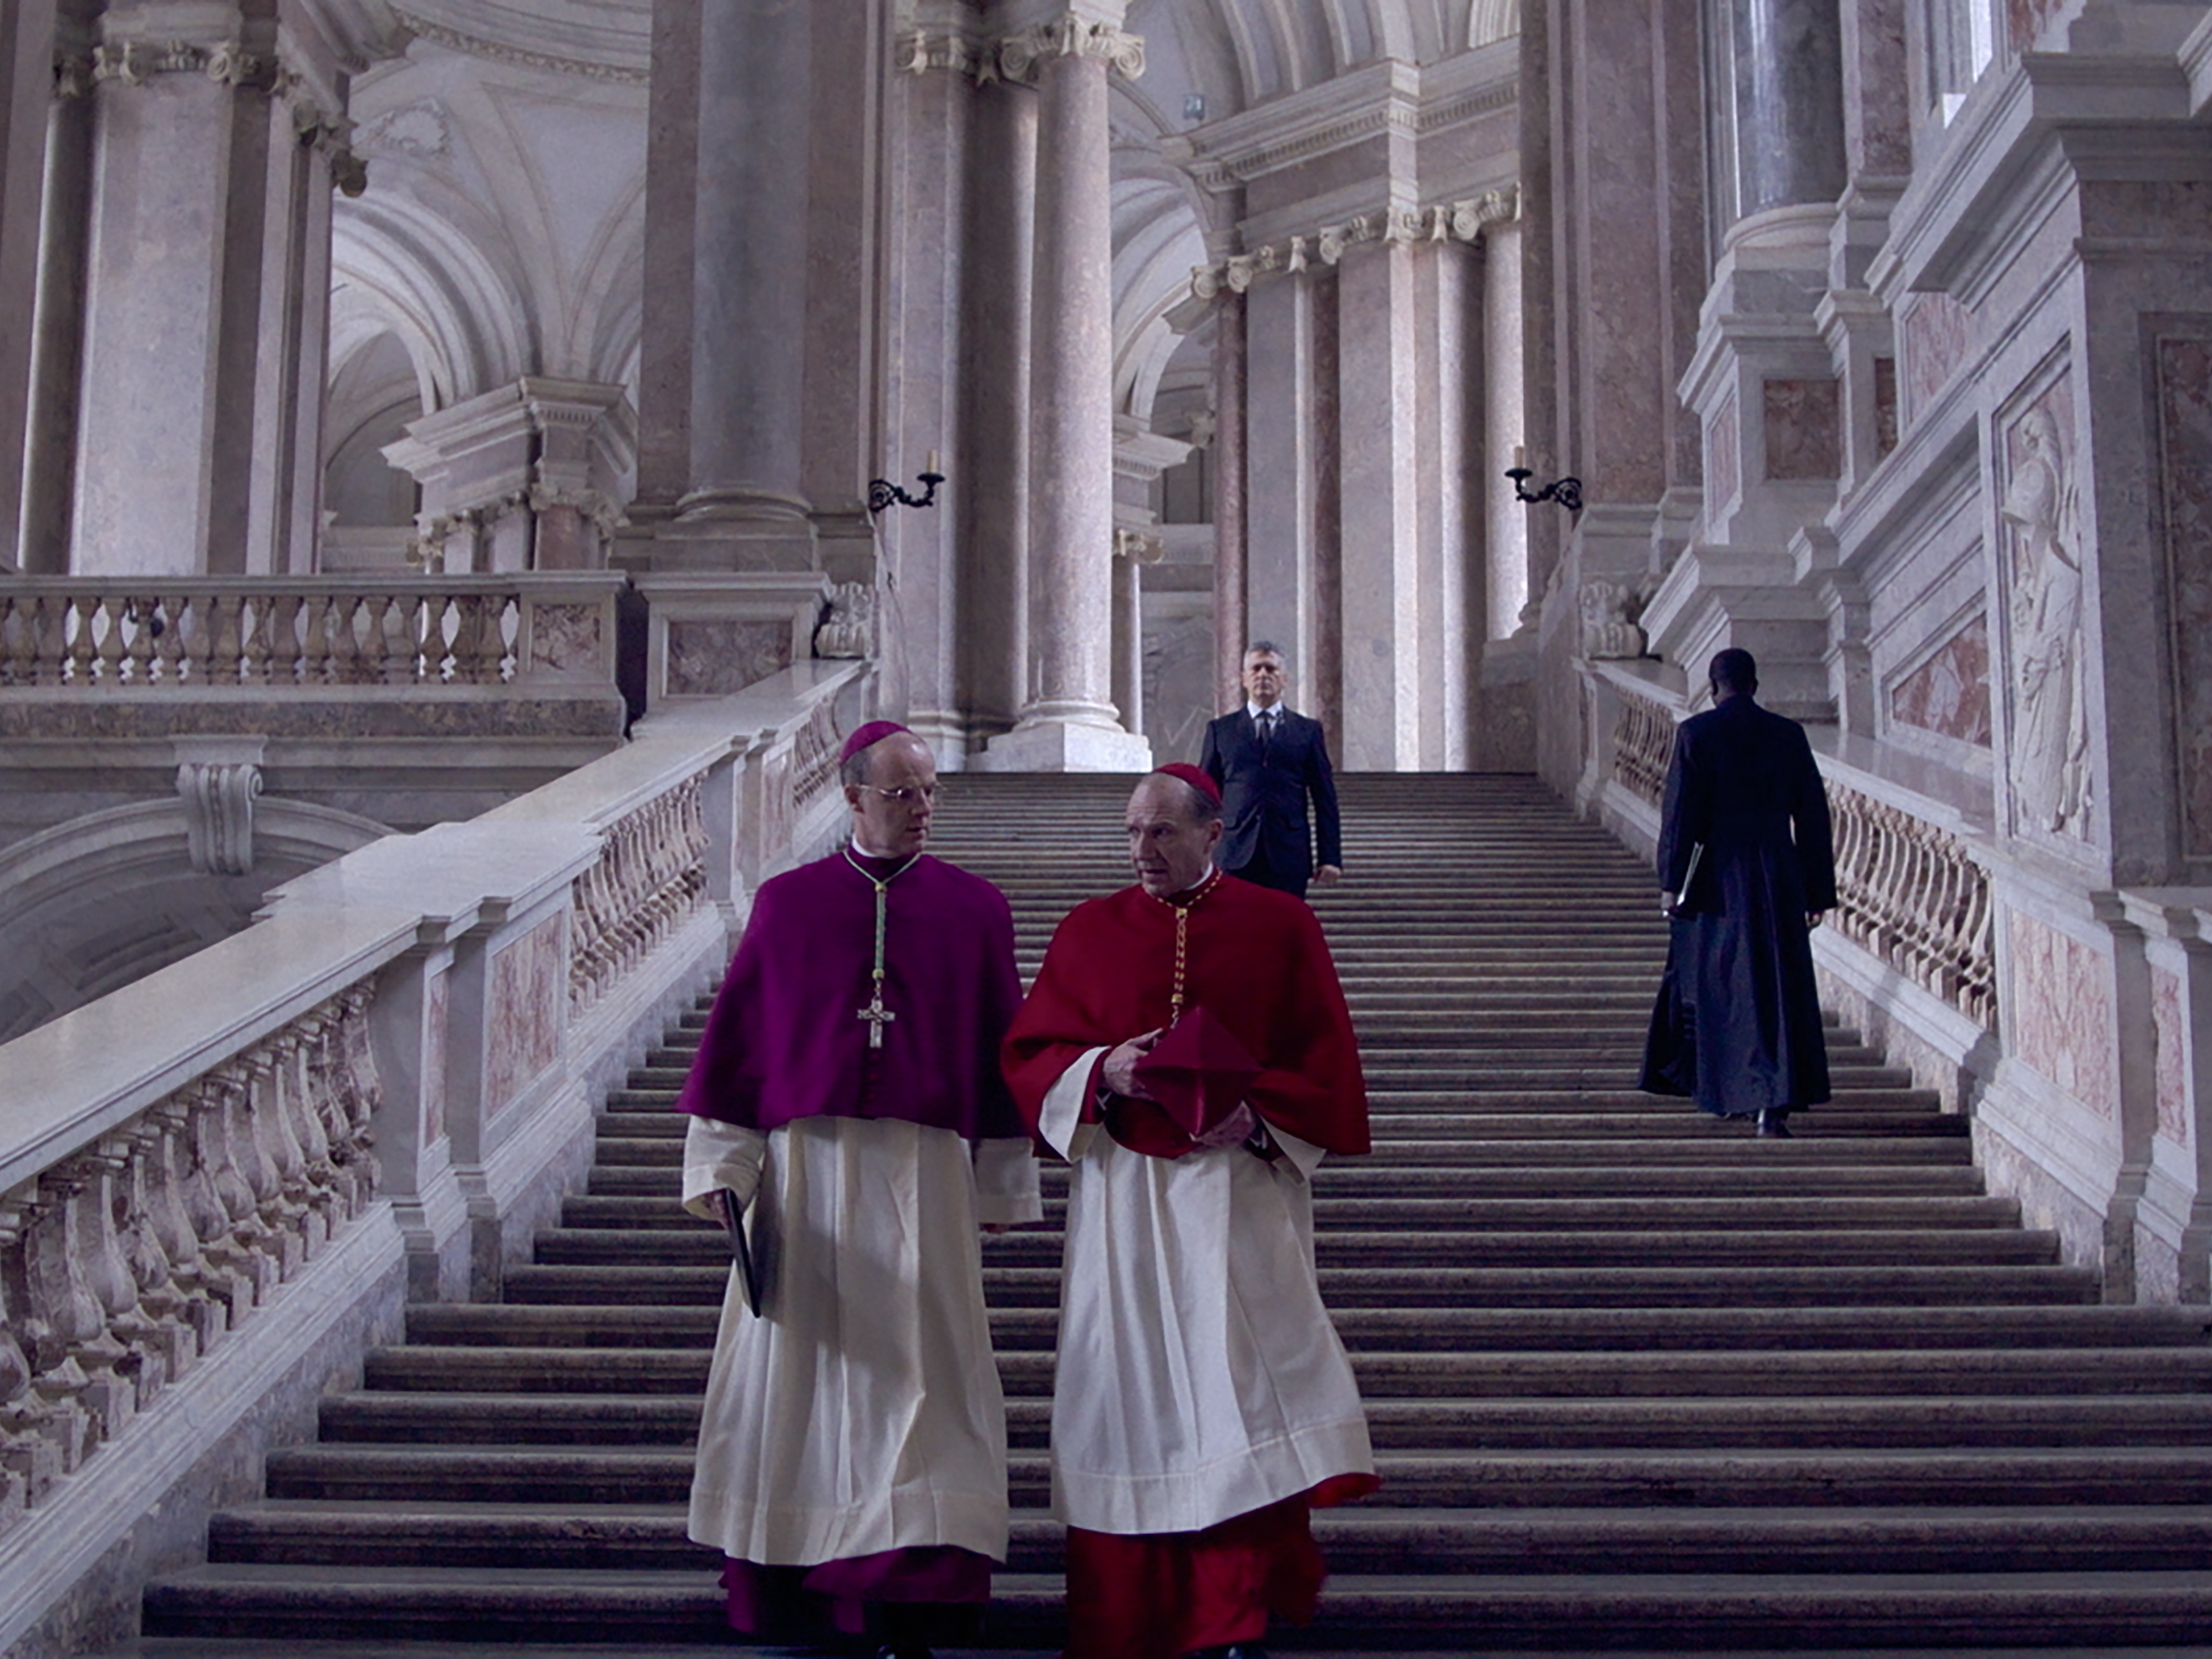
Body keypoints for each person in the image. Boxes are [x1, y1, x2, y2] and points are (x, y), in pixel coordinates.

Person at [674, 720, 1041, 1659]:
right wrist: (723, 1167)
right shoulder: (787, 905)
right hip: (808, 1176)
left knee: (928, 1380)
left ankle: (912, 1589)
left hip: (926, 1176)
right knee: (803, 1381)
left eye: (929, 792)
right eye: (901, 793)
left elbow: (1003, 1049)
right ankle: (801, 1580)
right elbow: (743, 1045)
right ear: (852, 796)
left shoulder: (975, 908)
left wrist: (1002, 1181)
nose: (922, 809)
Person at [1002, 763, 1378, 1659]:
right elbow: (1029, 1051)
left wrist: (1262, 1113)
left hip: (1240, 1192)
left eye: (1162, 832)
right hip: (1122, 1199)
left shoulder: (1280, 922)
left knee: (1241, 1390)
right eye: (1132, 832)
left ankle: (1235, 1608)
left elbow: (1326, 1058)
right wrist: (1103, 1069)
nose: (1143, 850)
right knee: (1121, 1393)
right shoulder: (1087, 929)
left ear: (1214, 832)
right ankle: (1124, 1612)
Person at [1638, 649, 1838, 1137]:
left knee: (1725, 987)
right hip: (1778, 871)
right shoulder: (1788, 735)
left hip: (1717, 877)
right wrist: (1817, 890)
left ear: (1713, 687)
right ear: (1754, 684)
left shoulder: (1696, 734)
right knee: (1778, 985)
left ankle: (1738, 1093)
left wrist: (1671, 882)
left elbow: (1682, 815)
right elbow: (1812, 816)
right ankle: (1774, 1103)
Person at [1199, 642, 1343, 898]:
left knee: (1283, 931)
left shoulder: (1308, 731)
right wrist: (1198, 853)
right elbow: (1205, 798)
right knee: (1236, 932)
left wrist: (1329, 857)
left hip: (1289, 852)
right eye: (1255, 669)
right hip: (1234, 852)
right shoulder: (1220, 731)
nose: (1263, 675)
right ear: (1244, 678)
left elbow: (1325, 798)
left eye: (1271, 669)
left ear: (1284, 679)